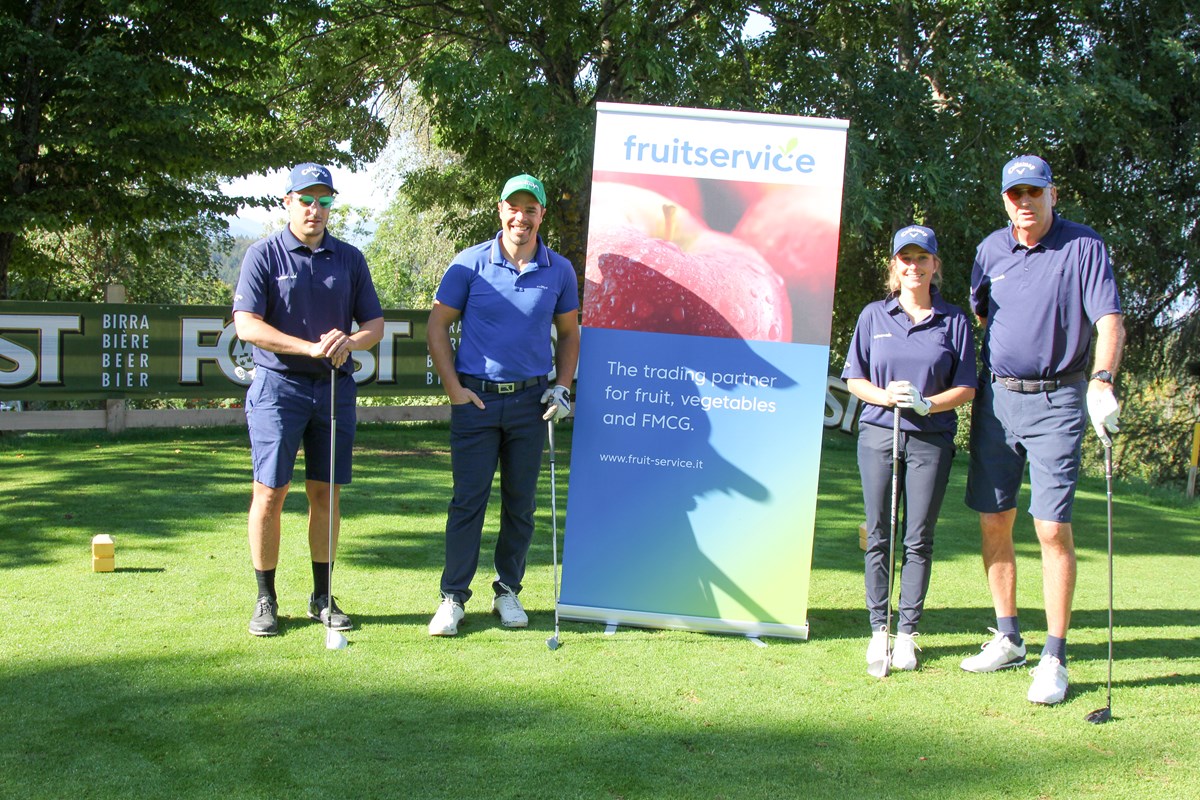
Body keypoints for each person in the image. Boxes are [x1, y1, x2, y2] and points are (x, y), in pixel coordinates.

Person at [962, 155, 1124, 705]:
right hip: (998, 401)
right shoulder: (989, 251)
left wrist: (1101, 380)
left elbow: (1108, 320)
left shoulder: (1084, 247)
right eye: (1015, 194)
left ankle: (1054, 655)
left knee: (1051, 528)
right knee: (994, 518)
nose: (1024, 202)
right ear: (1004, 199)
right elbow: (985, 315)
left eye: (1034, 192)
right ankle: (1008, 637)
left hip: (1059, 399)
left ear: (1053, 194)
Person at [233, 163, 385, 637]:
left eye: (323, 200)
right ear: (288, 202)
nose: (314, 209)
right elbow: (247, 326)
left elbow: (374, 326)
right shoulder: (264, 255)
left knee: (326, 493)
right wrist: (308, 347)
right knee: (270, 493)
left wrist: (350, 343)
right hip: (278, 389)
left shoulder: (350, 258)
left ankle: (322, 594)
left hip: (335, 389)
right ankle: (265, 598)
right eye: (306, 199)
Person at [426, 173, 580, 636]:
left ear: (541, 216)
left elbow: (570, 333)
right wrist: (453, 388)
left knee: (520, 505)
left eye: (530, 209)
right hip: (476, 401)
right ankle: (453, 597)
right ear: (500, 211)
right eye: (513, 208)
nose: (521, 217)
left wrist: (563, 387)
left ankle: (507, 590)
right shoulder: (469, 264)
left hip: (533, 402)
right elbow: (437, 328)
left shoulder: (560, 270)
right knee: (467, 503)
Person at [843, 225, 977, 674]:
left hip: (930, 437)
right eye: (906, 258)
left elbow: (967, 387)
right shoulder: (873, 317)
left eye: (923, 258)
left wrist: (926, 403)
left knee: (918, 537)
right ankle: (878, 629)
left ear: (935, 266)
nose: (913, 266)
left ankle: (907, 634)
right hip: (879, 432)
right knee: (879, 532)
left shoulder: (954, 320)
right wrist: (886, 397)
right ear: (894, 267)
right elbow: (855, 379)